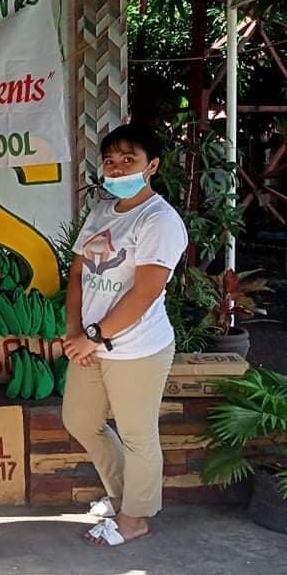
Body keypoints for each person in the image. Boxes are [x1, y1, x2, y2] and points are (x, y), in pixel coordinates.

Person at [61, 123, 188, 547]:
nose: (116, 168)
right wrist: (75, 332)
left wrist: (95, 335)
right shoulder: (102, 211)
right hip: (91, 343)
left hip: (137, 349)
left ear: (152, 166)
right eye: (110, 160)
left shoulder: (159, 220)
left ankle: (135, 518)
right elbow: (78, 273)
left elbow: (145, 291)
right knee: (80, 420)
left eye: (128, 160)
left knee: (137, 435)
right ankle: (121, 496)